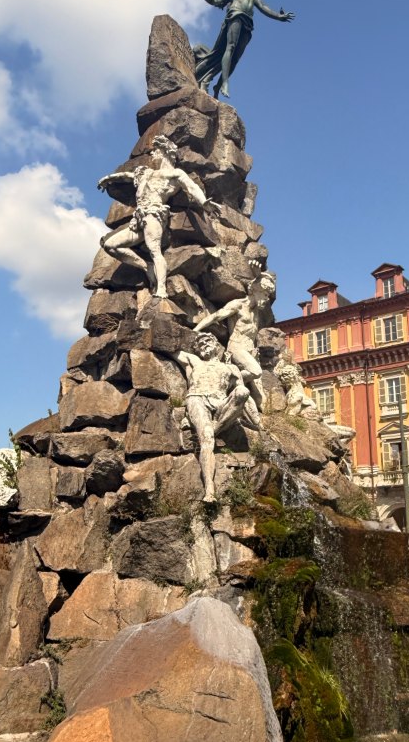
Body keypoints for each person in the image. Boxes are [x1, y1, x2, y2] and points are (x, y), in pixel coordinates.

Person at [147, 0, 295, 99]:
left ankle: (214, 81)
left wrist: (279, 16)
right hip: (235, 14)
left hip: (248, 21)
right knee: (230, 48)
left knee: (235, 58)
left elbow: (262, 6)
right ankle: (224, 83)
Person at [97, 135, 220, 299]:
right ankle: (146, 266)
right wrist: (110, 178)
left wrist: (204, 203)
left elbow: (192, 188)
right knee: (111, 245)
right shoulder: (147, 173)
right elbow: (129, 176)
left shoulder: (175, 174)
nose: (153, 154)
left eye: (155, 150)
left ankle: (161, 288)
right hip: (138, 218)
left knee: (154, 250)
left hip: (154, 214)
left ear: (165, 152)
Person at [175, 332, 258, 503]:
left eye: (207, 340)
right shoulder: (194, 361)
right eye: (199, 343)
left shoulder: (231, 368)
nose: (203, 344)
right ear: (196, 350)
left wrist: (256, 421)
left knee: (242, 391)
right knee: (207, 440)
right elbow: (172, 350)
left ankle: (215, 428)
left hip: (221, 402)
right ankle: (210, 490)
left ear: (215, 344)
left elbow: (245, 395)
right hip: (197, 398)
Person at [193, 271, 276, 414]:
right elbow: (216, 316)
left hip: (250, 350)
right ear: (256, 290)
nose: (267, 299)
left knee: (260, 401)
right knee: (255, 371)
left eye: (268, 295)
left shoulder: (256, 311)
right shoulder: (238, 305)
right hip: (237, 346)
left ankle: (235, 384)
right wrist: (196, 329)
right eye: (265, 294)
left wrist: (259, 274)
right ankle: (228, 380)